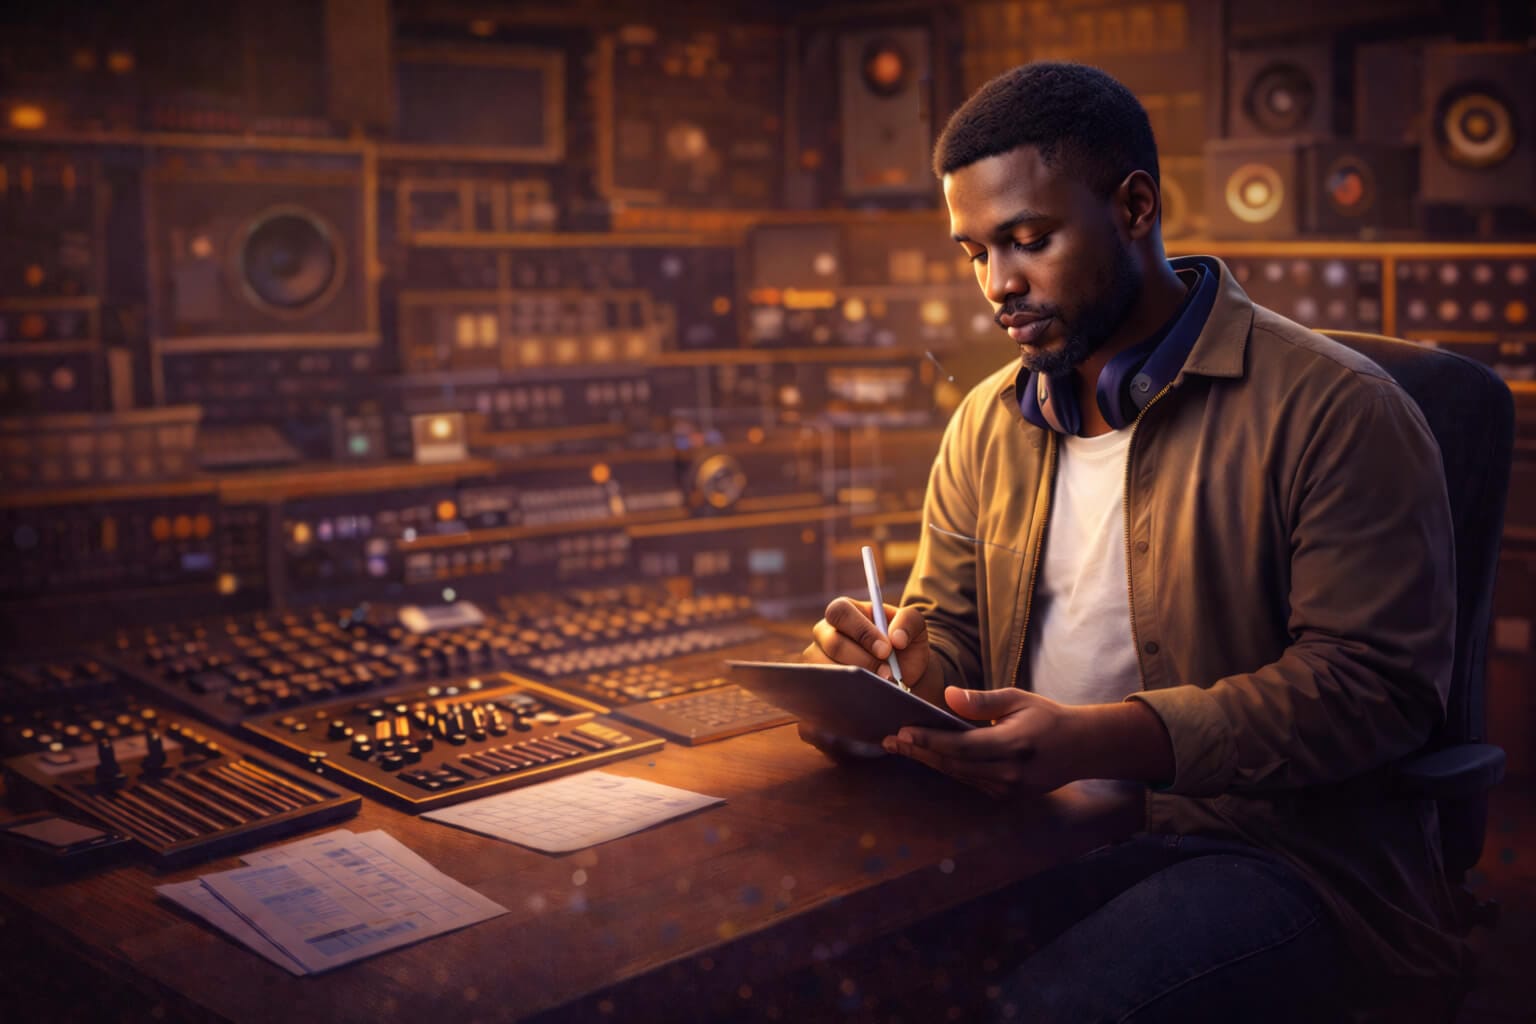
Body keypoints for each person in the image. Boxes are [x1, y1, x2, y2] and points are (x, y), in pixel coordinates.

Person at [802, 61, 1464, 1021]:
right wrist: (883, 672)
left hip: (1283, 862)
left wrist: (1101, 740)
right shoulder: (986, 423)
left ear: (1136, 206)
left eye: (1028, 241)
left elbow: (1374, 692)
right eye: (975, 251)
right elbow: (948, 633)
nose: (999, 284)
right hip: (1042, 832)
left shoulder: (1340, 411)